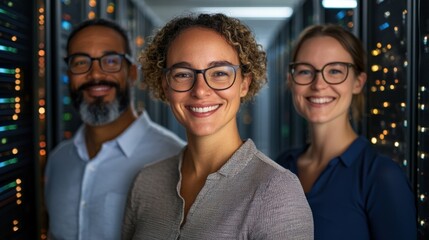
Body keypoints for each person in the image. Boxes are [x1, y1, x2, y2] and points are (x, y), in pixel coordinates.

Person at [122, 13, 313, 239]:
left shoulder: (276, 190)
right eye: (183, 74)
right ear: (166, 86)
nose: (200, 90)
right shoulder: (146, 182)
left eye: (220, 73)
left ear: (244, 84)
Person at [44, 18, 185, 240]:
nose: (95, 75)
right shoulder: (58, 161)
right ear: (69, 74)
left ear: (132, 73)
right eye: (81, 62)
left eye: (110, 61)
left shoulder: (175, 160)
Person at [275, 24, 417, 240]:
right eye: (305, 71)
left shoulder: (381, 178)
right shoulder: (282, 166)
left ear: (358, 82)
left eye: (335, 71)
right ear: (291, 80)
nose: (319, 84)